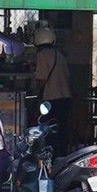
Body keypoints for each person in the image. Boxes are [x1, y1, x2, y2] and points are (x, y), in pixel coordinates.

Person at [34, 24, 73, 155]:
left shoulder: (41, 55)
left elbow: (41, 78)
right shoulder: (60, 55)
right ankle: (62, 155)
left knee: (49, 131)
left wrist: (35, 92)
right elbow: (67, 76)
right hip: (65, 98)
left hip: (50, 100)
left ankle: (51, 157)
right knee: (62, 130)